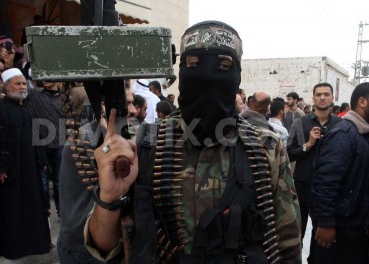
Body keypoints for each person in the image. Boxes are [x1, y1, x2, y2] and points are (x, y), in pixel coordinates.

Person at [85, 20, 301, 263]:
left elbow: (286, 242)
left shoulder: (266, 147)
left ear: (237, 75)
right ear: (182, 71)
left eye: (223, 65)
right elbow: (103, 245)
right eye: (194, 64)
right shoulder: (144, 144)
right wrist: (109, 197)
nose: (207, 75)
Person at [57, 84, 137, 264]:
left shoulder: (120, 138)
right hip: (82, 248)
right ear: (103, 108)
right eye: (128, 104)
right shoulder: (86, 140)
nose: (132, 110)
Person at [0, 68, 50, 259]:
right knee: (12, 210)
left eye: (23, 83)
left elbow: (38, 136)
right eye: (17, 83)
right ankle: (16, 249)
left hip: (31, 166)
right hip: (9, 169)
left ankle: (38, 244)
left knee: (34, 207)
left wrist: (42, 160)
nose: (22, 87)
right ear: (7, 86)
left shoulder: (28, 106)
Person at [311, 82, 369, 264]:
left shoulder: (362, 134)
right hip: (340, 231)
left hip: (356, 230)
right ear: (362, 102)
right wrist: (326, 222)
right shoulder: (343, 135)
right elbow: (325, 182)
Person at [287, 82, 342, 263]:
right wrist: (309, 144)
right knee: (298, 231)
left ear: (332, 98)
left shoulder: (341, 125)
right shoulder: (300, 123)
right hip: (303, 185)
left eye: (326, 94)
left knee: (323, 233)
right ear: (313, 98)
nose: (322, 97)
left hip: (330, 189)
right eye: (318, 94)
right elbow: (289, 153)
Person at [27, 81, 65, 217]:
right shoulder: (34, 95)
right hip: (41, 143)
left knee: (59, 181)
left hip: (60, 142)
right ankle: (44, 212)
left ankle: (62, 210)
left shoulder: (66, 97)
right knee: (42, 182)